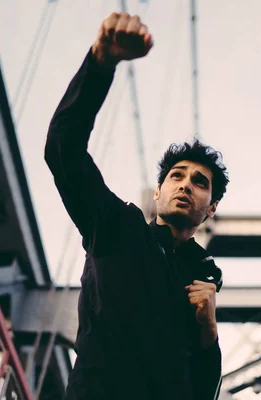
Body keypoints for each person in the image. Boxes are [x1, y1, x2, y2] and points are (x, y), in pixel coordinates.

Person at [44, 11, 229, 400]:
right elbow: (63, 149)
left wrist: (209, 334)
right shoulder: (114, 227)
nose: (186, 185)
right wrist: (101, 63)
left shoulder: (203, 283)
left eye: (200, 183)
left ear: (209, 209)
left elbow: (202, 393)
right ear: (157, 192)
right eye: (177, 176)